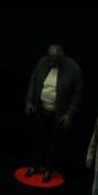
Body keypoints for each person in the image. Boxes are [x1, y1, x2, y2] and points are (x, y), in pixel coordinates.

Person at [24, 45, 83, 181]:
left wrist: (69, 114)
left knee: (54, 143)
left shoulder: (73, 68)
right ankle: (35, 165)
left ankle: (48, 169)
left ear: (61, 58)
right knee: (38, 139)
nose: (50, 63)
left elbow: (77, 93)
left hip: (59, 113)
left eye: (54, 61)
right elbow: (33, 80)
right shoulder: (42, 62)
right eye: (49, 60)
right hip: (41, 109)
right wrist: (29, 101)